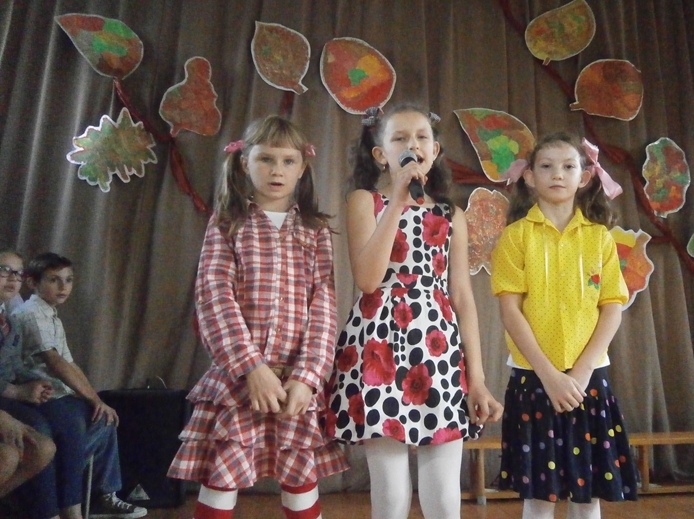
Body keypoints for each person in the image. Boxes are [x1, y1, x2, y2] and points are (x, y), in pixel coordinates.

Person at [326, 103, 504, 519]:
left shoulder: (450, 215)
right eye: (400, 138)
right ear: (380, 154)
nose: (413, 145)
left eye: (422, 137)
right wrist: (397, 202)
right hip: (378, 348)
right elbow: (368, 279)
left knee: (443, 490)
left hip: (438, 351)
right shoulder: (364, 201)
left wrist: (477, 380)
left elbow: (462, 297)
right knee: (390, 489)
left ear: (435, 150)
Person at [168, 115, 347, 519]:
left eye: (287, 161)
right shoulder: (227, 223)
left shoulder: (314, 230)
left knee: (300, 481)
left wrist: (308, 377)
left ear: (302, 168)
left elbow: (324, 305)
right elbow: (214, 298)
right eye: (266, 159)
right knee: (221, 480)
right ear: (244, 162)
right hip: (240, 382)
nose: (277, 170)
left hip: (295, 384)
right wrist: (252, 368)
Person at [490, 132, 638, 519]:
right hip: (534, 378)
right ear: (529, 177)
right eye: (546, 166)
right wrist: (549, 375)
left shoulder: (599, 238)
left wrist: (582, 371)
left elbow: (612, 307)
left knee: (587, 496)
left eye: (568, 166)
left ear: (584, 177)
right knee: (539, 496)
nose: (558, 174)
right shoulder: (515, 237)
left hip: (589, 378)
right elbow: (510, 311)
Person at [12, 252, 147, 518]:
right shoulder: (31, 314)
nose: (63, 287)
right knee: (75, 424)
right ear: (33, 283)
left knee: (104, 418)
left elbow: (70, 364)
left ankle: (102, 496)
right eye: (54, 280)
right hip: (39, 396)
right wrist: (92, 399)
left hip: (57, 393)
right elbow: (55, 362)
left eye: (69, 280)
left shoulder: (49, 313)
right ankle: (67, 502)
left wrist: (96, 399)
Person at [0, 252, 56, 503]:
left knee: (43, 448)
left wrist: (36, 383)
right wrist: (13, 394)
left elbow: (13, 366)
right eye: (4, 270)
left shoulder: (10, 321)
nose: (13, 278)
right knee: (8, 456)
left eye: (18, 273)